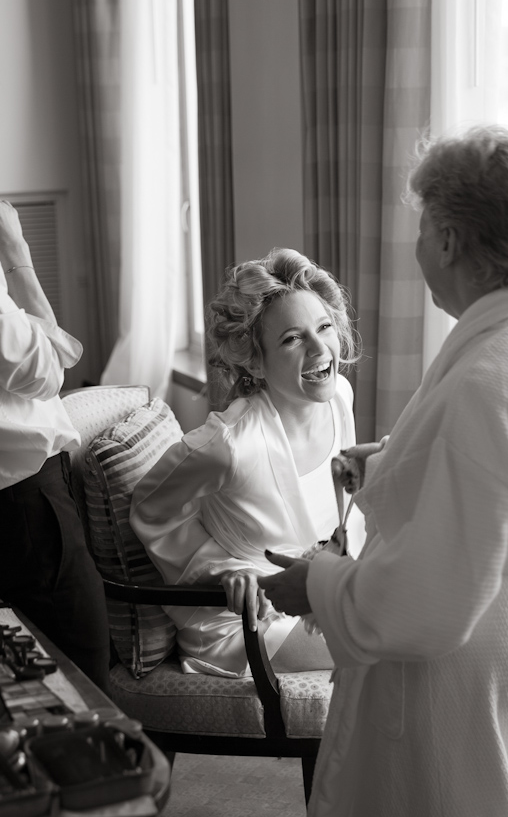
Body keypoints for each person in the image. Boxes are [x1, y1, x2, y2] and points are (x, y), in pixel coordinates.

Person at [261, 126, 508, 817]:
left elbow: (423, 603)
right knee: (491, 806)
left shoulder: (492, 378)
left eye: (420, 227)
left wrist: (312, 582)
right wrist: (393, 464)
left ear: (447, 240)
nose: (415, 246)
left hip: (464, 653)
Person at [130, 247, 365, 678]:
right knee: (382, 650)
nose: (319, 349)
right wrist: (225, 570)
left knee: (420, 619)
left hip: (319, 591)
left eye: (324, 327)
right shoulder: (228, 445)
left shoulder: (340, 400)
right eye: (292, 338)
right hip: (249, 620)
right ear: (255, 360)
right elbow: (150, 511)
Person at [0, 200, 110, 692]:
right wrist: (15, 248)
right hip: (24, 507)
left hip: (26, 498)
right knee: (82, 678)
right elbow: (50, 367)